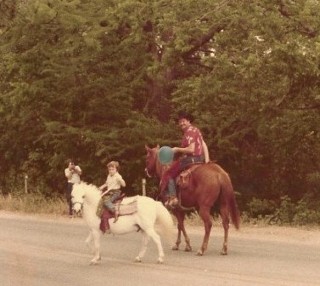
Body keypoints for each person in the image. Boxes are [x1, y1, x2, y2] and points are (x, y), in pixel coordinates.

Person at [160, 111, 210, 207]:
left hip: (190, 159)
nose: (181, 123)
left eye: (183, 121)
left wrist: (176, 149)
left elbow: (191, 149)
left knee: (168, 173)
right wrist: (206, 160)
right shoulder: (196, 130)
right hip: (200, 159)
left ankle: (173, 197)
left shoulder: (189, 132)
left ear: (188, 121)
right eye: (180, 122)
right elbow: (204, 144)